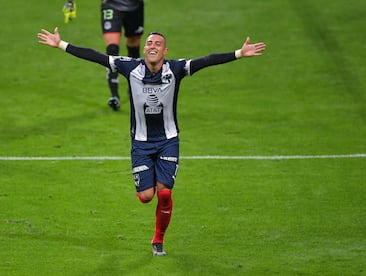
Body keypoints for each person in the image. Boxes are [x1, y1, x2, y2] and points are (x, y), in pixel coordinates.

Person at [37, 27, 266, 256]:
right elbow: (96, 57)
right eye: (149, 43)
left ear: (165, 50)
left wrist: (238, 53)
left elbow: (206, 60)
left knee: (164, 193)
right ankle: (153, 179)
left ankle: (158, 239)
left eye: (158, 43)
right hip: (141, 143)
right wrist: (61, 44)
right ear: (144, 49)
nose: (153, 46)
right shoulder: (130, 67)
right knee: (146, 197)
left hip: (168, 140)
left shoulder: (176, 69)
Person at [100, 0, 144, 111]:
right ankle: (114, 96)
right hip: (111, 5)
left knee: (133, 44)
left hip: (135, 6)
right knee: (112, 49)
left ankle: (133, 87)